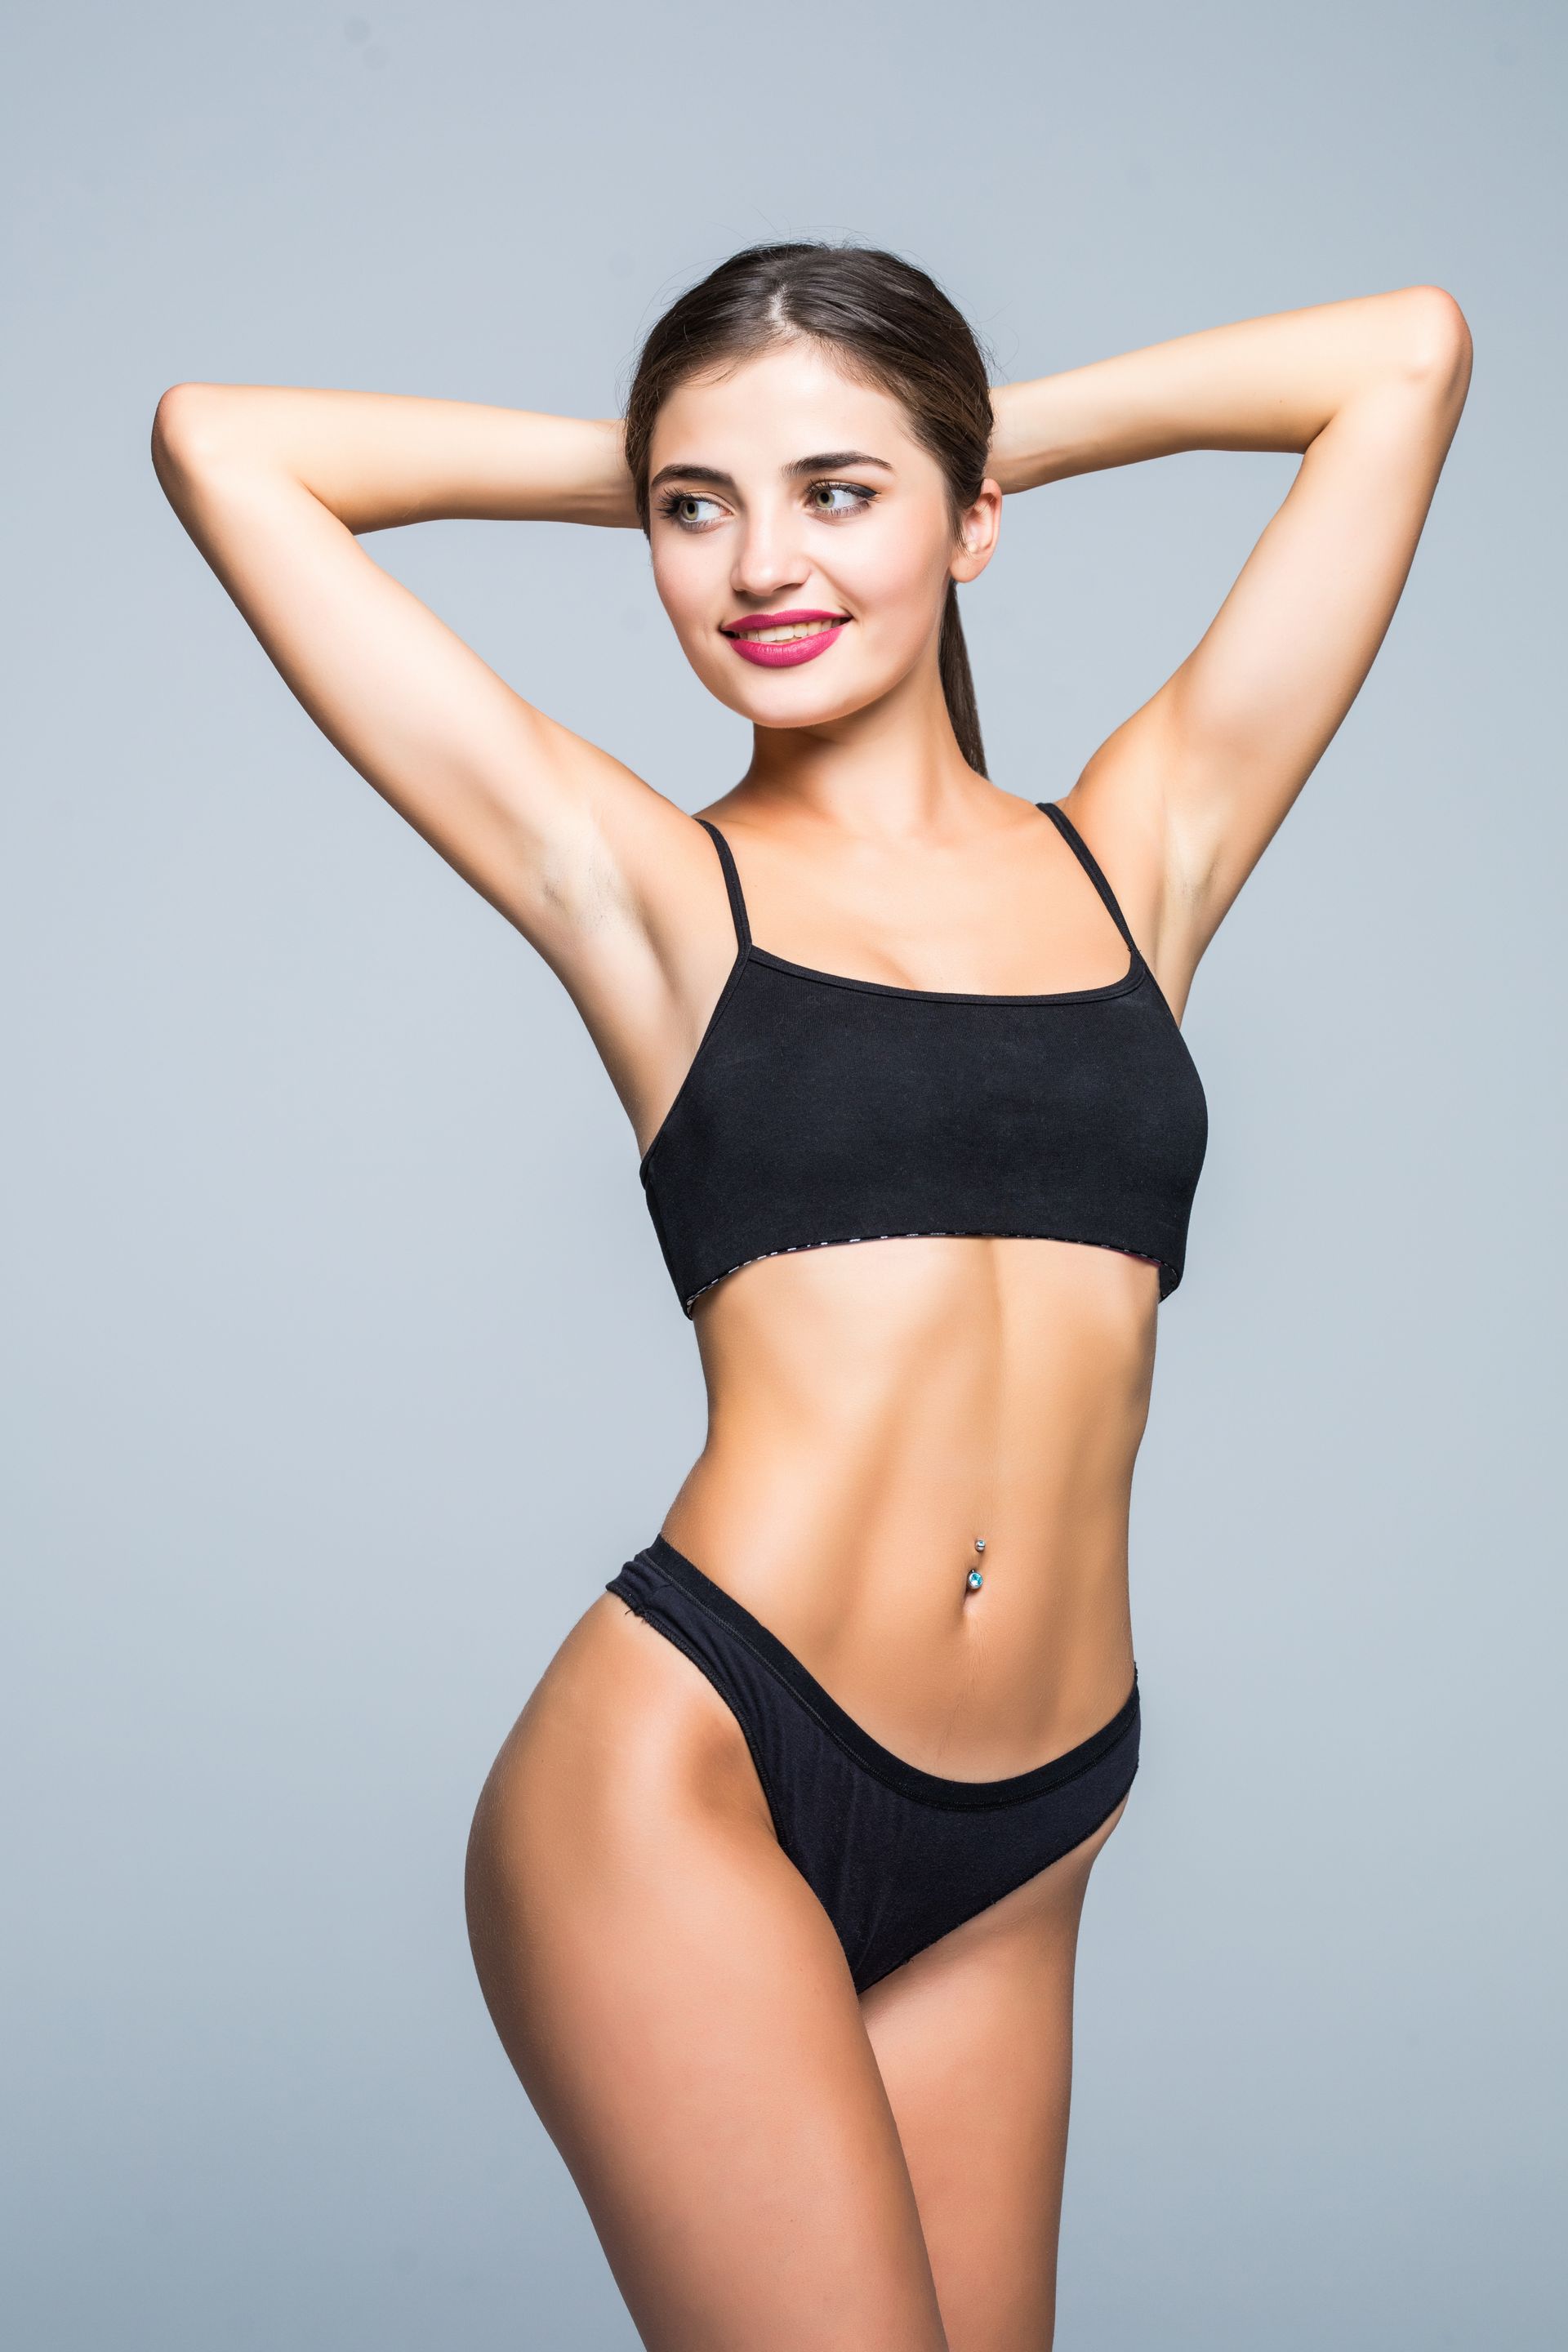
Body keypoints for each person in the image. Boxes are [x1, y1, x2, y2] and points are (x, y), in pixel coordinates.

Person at [151, 240, 1471, 2350]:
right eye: (700, 513)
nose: (758, 562)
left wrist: (930, 443)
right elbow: (230, 448)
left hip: (1030, 1827)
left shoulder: (1146, 853)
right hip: (699, 1771)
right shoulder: (654, 892)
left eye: (833, 498)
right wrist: (737, 452)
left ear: (973, 517)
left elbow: (1402, 360)